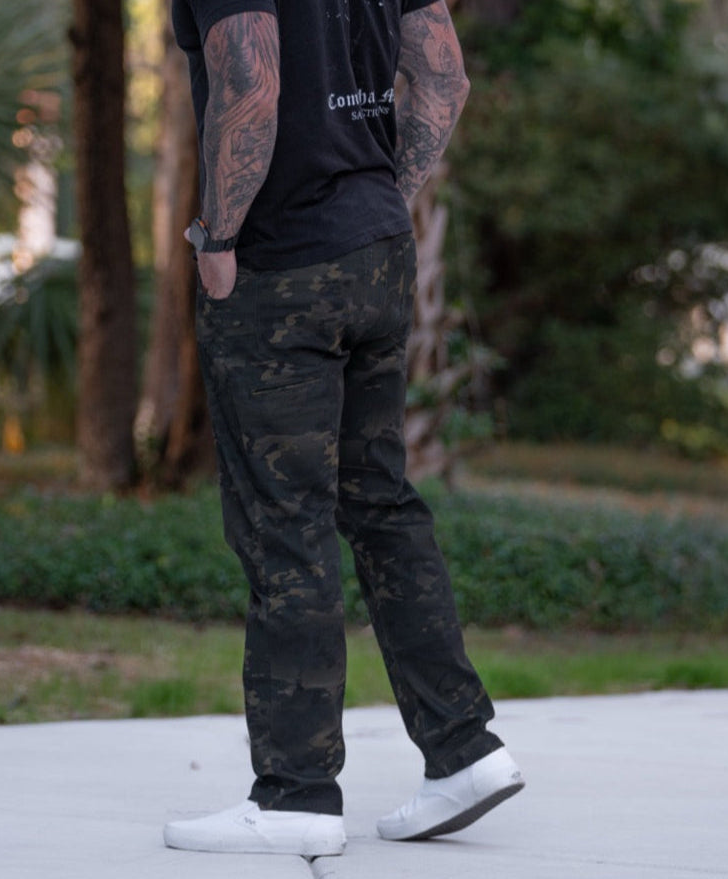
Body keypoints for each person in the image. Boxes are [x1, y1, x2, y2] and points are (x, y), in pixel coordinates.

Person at [163, 0, 524, 857]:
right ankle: (463, 748)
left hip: (280, 260)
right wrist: (377, 202)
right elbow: (442, 74)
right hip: (375, 248)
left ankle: (295, 791)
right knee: (379, 501)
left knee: (284, 522)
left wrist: (218, 235)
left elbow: (250, 80)